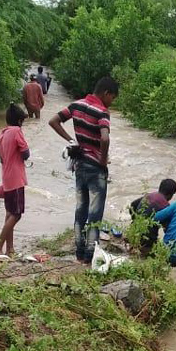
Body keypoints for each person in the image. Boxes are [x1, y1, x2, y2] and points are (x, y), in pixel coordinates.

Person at [50, 75, 119, 264]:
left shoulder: (76, 105)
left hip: (79, 164)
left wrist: (71, 140)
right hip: (96, 169)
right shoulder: (102, 112)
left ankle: (79, 253)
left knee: (81, 209)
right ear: (106, 93)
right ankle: (90, 255)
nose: (111, 102)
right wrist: (103, 160)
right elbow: (104, 138)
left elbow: (53, 121)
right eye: (112, 98)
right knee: (95, 213)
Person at [0, 104, 30, 259]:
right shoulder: (16, 131)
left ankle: (10, 249)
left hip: (6, 177)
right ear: (19, 121)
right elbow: (26, 153)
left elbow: (2, 159)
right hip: (16, 178)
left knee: (9, 213)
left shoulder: (1, 134)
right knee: (16, 214)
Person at [129, 178, 176, 256]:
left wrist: (135, 220)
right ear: (171, 194)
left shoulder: (149, 195)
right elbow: (168, 230)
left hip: (132, 233)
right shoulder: (166, 207)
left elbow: (132, 205)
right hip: (147, 242)